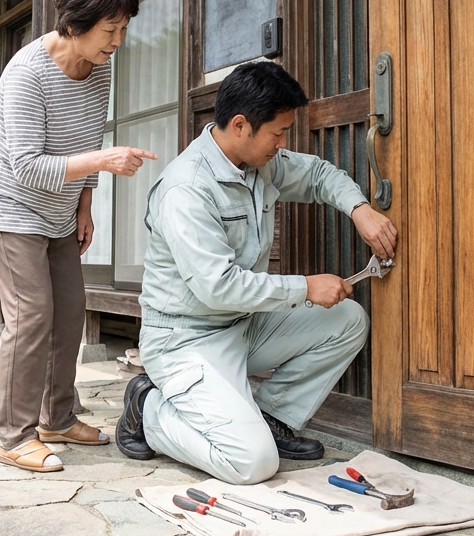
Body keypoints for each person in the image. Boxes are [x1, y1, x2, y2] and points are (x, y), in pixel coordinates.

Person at [115, 61, 397, 485]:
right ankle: (149, 409)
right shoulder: (186, 189)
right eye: (278, 133)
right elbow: (218, 287)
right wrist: (305, 287)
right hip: (185, 341)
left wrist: (359, 209)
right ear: (241, 125)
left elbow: (318, 174)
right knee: (252, 463)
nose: (282, 144)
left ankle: (271, 418)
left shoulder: (258, 162)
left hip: (242, 326)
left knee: (347, 320)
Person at [0, 0, 159, 473]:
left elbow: (87, 137)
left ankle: (56, 418)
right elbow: (27, 166)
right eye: (109, 29)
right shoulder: (26, 74)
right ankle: (14, 435)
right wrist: (104, 162)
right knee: (31, 315)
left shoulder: (100, 66)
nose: (117, 41)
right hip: (9, 203)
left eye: (123, 28)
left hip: (59, 207)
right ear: (74, 23)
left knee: (70, 311)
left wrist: (85, 205)